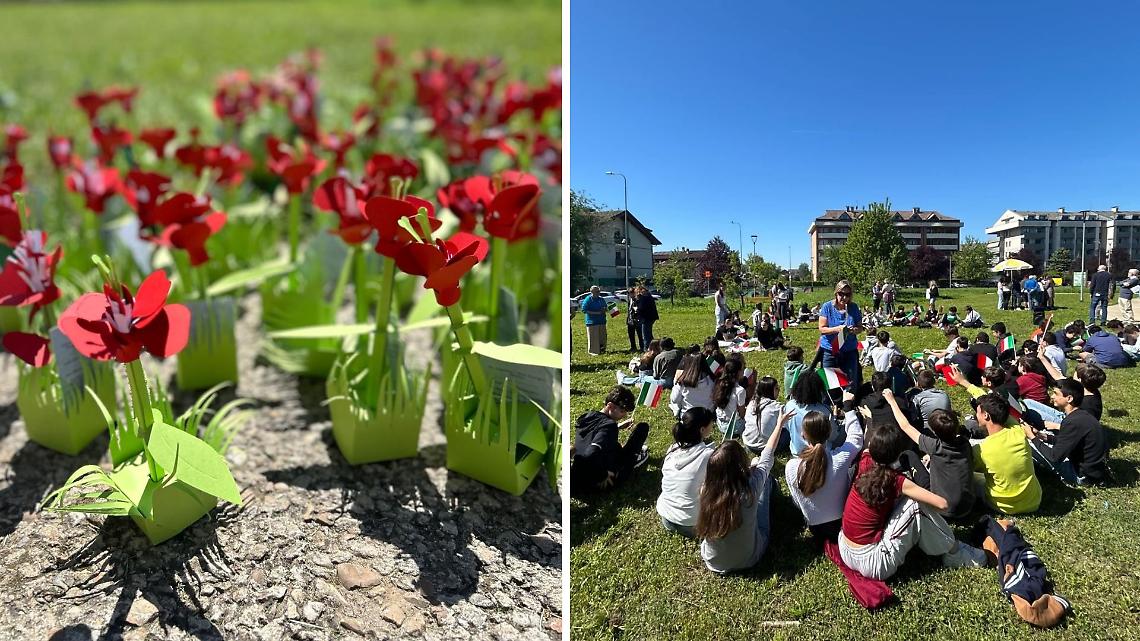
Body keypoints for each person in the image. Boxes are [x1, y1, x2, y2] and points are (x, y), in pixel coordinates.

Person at [838, 426, 989, 581]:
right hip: (872, 562)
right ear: (897, 454)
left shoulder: (864, 461)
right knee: (915, 504)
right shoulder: (896, 480)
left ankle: (935, 542)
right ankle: (954, 552)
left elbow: (869, 447)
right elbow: (942, 504)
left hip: (845, 548)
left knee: (904, 500)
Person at [697, 427, 786, 574]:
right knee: (767, 481)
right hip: (749, 559)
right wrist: (779, 424)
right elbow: (768, 455)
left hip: (713, 561)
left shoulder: (705, 490)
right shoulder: (750, 488)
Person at [786, 390, 865, 545]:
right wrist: (848, 409)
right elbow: (856, 439)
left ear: (803, 435)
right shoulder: (840, 458)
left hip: (815, 527)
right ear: (829, 432)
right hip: (842, 522)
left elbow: (796, 500)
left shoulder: (791, 467)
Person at [882, 391, 975, 519]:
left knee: (909, 454)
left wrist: (892, 401)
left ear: (935, 433)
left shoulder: (935, 446)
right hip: (968, 506)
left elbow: (905, 426)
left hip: (942, 509)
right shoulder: (965, 444)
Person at [1022, 379, 1110, 486]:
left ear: (1069, 398)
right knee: (1042, 436)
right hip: (1094, 470)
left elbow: (1054, 457)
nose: (1052, 396)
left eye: (1056, 393)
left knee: (1027, 444)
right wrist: (1043, 437)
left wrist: (1032, 437)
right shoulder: (1080, 416)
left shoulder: (1071, 422)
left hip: (1082, 476)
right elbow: (1069, 440)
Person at [970, 393, 1042, 514]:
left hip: (1004, 506)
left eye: (978, 412)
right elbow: (999, 407)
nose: (976, 415)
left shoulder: (982, 450)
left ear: (986, 415)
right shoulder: (1018, 431)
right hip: (1033, 501)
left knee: (972, 477)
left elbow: (965, 466)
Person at [570, 385, 650, 495]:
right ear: (610, 406)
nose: (624, 415)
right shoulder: (609, 426)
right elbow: (588, 456)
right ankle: (638, 457)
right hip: (598, 484)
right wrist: (602, 475)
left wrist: (618, 426)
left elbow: (592, 436)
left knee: (615, 446)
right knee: (642, 428)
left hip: (576, 479)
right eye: (622, 411)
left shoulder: (587, 416)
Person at [657, 407, 716, 538]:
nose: (712, 427)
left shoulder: (672, 449)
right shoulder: (708, 455)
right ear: (702, 429)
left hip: (666, 516)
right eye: (711, 425)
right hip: (691, 524)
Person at [817, 279, 864, 393]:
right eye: (841, 294)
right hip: (831, 349)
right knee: (830, 382)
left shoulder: (853, 307)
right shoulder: (827, 307)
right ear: (836, 293)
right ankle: (833, 405)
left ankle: (848, 404)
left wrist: (854, 330)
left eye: (847, 294)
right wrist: (837, 329)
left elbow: (860, 327)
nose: (844, 297)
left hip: (849, 350)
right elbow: (822, 328)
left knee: (850, 381)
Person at [784, 368, 840, 454]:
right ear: (819, 390)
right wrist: (835, 418)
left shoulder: (789, 405)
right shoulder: (824, 410)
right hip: (821, 453)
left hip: (797, 452)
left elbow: (788, 427)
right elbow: (833, 436)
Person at [743, 376, 783, 454]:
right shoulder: (777, 408)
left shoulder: (752, 403)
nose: (779, 390)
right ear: (769, 391)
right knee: (787, 433)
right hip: (766, 448)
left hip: (748, 443)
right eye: (776, 388)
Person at [712, 360, 748, 438]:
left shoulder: (719, 384)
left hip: (721, 424)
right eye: (743, 369)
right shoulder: (740, 390)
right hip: (734, 428)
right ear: (738, 372)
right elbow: (742, 414)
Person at [581, 286, 609, 356]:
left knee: (602, 337)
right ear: (592, 292)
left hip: (602, 321)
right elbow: (584, 310)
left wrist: (605, 309)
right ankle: (593, 351)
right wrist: (596, 313)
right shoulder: (588, 299)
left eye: (599, 291)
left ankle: (602, 350)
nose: (598, 293)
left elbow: (605, 307)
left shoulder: (601, 299)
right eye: (597, 292)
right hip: (592, 322)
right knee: (593, 337)